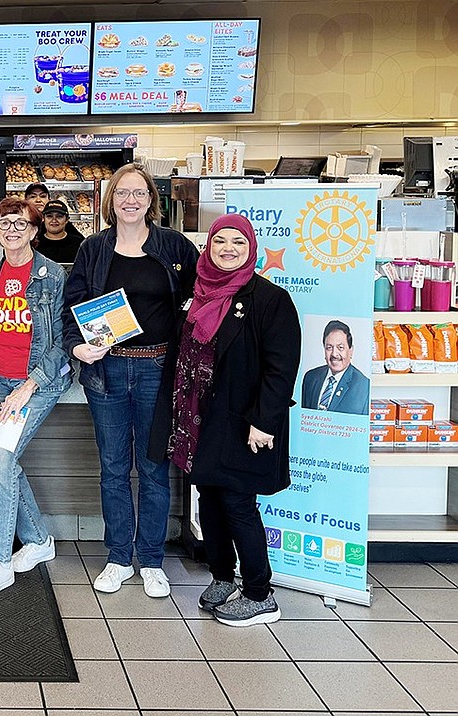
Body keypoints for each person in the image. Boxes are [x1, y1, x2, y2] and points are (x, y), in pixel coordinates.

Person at [149, 213, 301, 626]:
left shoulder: (269, 299)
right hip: (197, 418)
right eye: (220, 242)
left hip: (241, 420)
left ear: (250, 247)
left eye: (237, 242)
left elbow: (281, 369)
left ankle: (259, 592)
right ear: (208, 247)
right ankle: (221, 576)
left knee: (237, 502)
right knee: (209, 500)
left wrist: (264, 422)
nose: (228, 249)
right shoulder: (195, 292)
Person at [63, 163, 199, 598]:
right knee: (114, 469)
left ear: (151, 200)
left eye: (139, 193)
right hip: (106, 371)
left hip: (158, 370)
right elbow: (72, 305)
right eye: (123, 192)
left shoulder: (174, 246)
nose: (131, 200)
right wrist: (76, 347)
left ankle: (153, 560)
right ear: (110, 199)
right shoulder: (94, 248)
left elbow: (199, 299)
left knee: (155, 469)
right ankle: (119, 556)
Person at [0, 197, 70, 597]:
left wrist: (27, 388)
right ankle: (40, 541)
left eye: (20, 223)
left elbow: (61, 343)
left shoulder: (53, 275)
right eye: (4, 223)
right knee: (0, 460)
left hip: (36, 381)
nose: (11, 229)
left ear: (34, 230)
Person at [300, 320, 369, 415]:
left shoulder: (363, 386)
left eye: (340, 347)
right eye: (329, 348)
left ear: (351, 350)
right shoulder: (310, 377)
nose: (334, 354)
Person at [37, 200, 84, 264]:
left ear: (67, 220)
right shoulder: (35, 244)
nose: (54, 220)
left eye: (59, 216)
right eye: (49, 216)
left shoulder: (79, 244)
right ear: (43, 218)